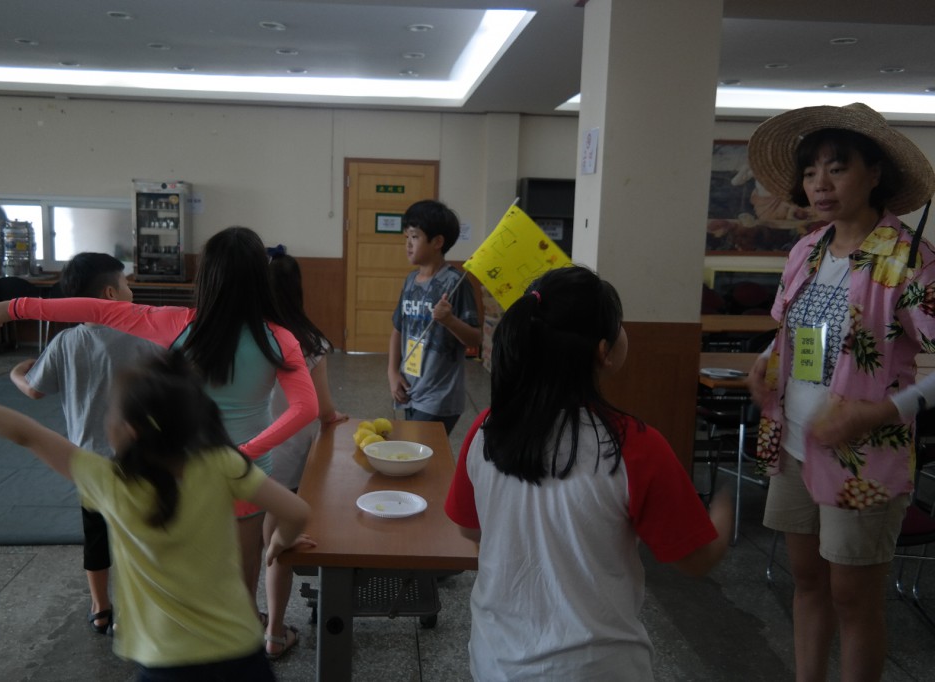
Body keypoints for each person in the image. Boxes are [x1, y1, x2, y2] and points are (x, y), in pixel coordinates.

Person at [0, 227, 318, 634]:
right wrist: (248, 451)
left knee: (185, 562)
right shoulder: (279, 338)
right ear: (259, 277)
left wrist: (14, 307)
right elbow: (305, 409)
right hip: (248, 473)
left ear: (207, 276)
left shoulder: (176, 323)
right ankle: (242, 631)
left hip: (185, 470)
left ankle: (185, 635)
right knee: (245, 565)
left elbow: (95, 310)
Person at [0, 352, 313, 680]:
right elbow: (296, 511)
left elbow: (26, 433)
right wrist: (278, 543)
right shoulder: (221, 463)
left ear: (130, 430)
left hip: (166, 661)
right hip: (240, 652)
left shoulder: (110, 483)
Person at [444, 266, 732, 680]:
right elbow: (695, 559)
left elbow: (470, 529)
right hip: (597, 667)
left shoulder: (487, 428)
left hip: (496, 660)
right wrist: (723, 515)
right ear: (603, 351)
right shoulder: (633, 444)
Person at [745, 102, 935, 682]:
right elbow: (790, 331)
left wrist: (881, 411)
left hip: (864, 456)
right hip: (795, 440)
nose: (820, 184)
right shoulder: (807, 250)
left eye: (837, 167)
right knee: (807, 583)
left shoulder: (908, 260)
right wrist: (763, 364)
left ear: (874, 173)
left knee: (854, 599)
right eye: (810, 172)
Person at [9, 252, 159, 635]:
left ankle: (100, 607)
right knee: (139, 535)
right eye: (126, 284)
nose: (131, 290)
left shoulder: (65, 342)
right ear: (110, 294)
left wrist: (15, 373)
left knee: (95, 536)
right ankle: (136, 608)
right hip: (138, 460)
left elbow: (34, 389)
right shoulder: (142, 336)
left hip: (87, 462)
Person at [261, 247, 347, 659]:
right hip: (289, 457)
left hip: (244, 454)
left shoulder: (243, 336)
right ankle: (275, 633)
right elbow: (323, 408)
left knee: (247, 545)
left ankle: (248, 622)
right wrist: (333, 418)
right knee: (279, 546)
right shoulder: (309, 342)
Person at [387, 200, 481, 435]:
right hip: (410, 389)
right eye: (406, 237)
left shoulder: (455, 283)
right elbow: (398, 328)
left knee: (418, 448)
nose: (408, 244)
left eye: (415, 237)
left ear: (437, 242)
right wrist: (392, 372)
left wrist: (450, 320)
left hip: (439, 396)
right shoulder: (410, 281)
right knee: (417, 451)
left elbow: (475, 339)